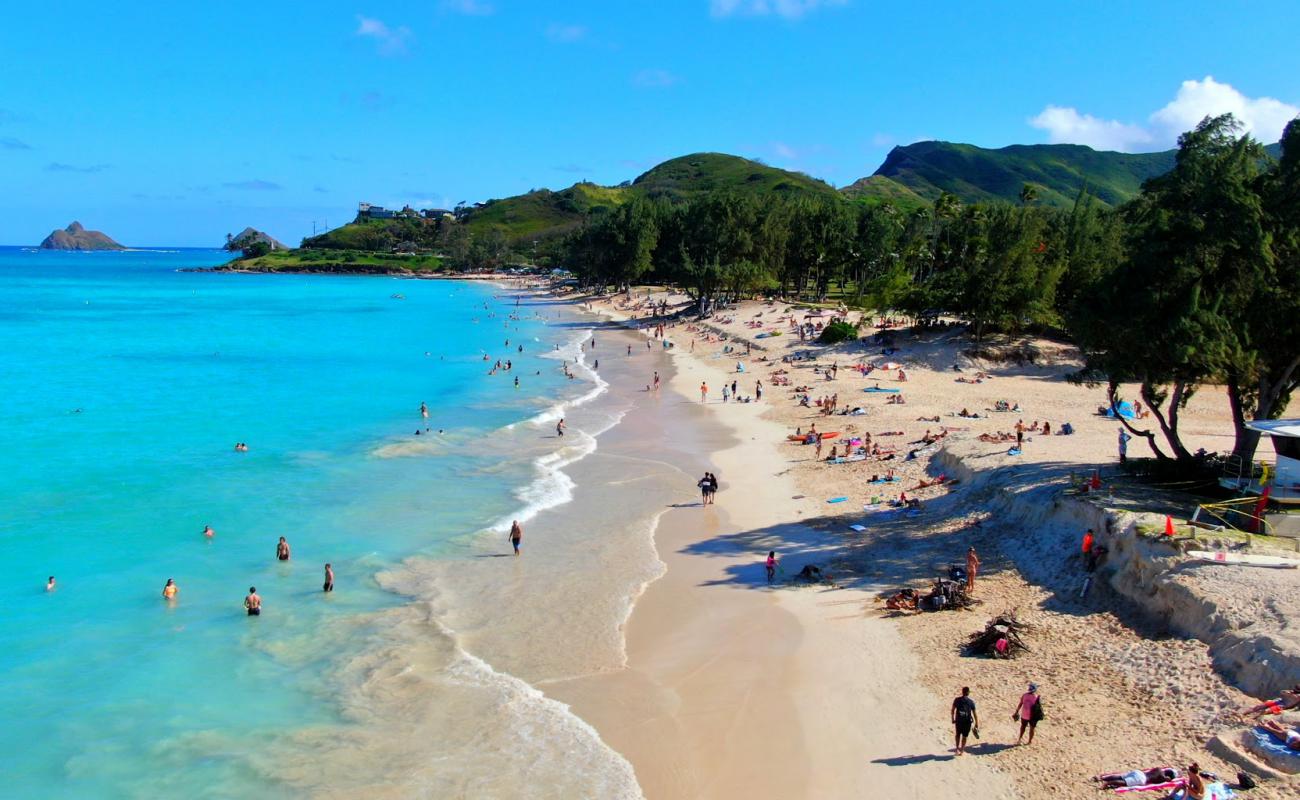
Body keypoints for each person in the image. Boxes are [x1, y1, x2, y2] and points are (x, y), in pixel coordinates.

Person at [1092, 767, 1181, 789]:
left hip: (1139, 772)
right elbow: (1167, 780)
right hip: (1142, 779)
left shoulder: (1158, 769)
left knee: (1120, 776)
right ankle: (1108, 783)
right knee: (1124, 782)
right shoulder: (1163, 777)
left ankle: (1102, 778)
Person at [952, 686, 978, 755]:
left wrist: (953, 719)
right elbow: (974, 713)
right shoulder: (971, 702)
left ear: (962, 692)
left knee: (958, 735)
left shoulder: (957, 700)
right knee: (965, 736)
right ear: (968, 693)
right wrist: (977, 723)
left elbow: (953, 710)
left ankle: (957, 748)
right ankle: (962, 750)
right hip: (967, 722)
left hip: (959, 721)